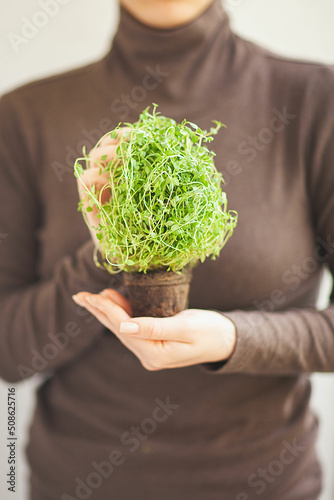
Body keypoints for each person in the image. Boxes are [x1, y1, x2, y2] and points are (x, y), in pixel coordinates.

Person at [0, 0, 333, 498]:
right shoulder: (24, 116)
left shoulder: (314, 99)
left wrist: (232, 339)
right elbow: (10, 353)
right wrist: (103, 256)